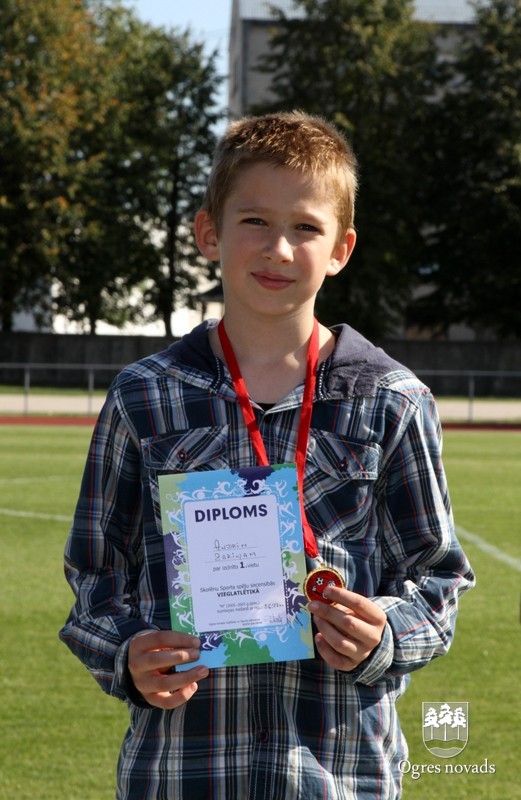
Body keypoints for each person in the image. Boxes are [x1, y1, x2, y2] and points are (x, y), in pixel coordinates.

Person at [60, 111, 474, 800]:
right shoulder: (145, 396)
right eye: (254, 220)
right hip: (182, 772)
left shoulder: (391, 400)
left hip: (339, 776)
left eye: (306, 227)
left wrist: (385, 637)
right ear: (208, 233)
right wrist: (127, 654)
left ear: (340, 249)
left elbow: (438, 579)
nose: (278, 248)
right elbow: (95, 574)